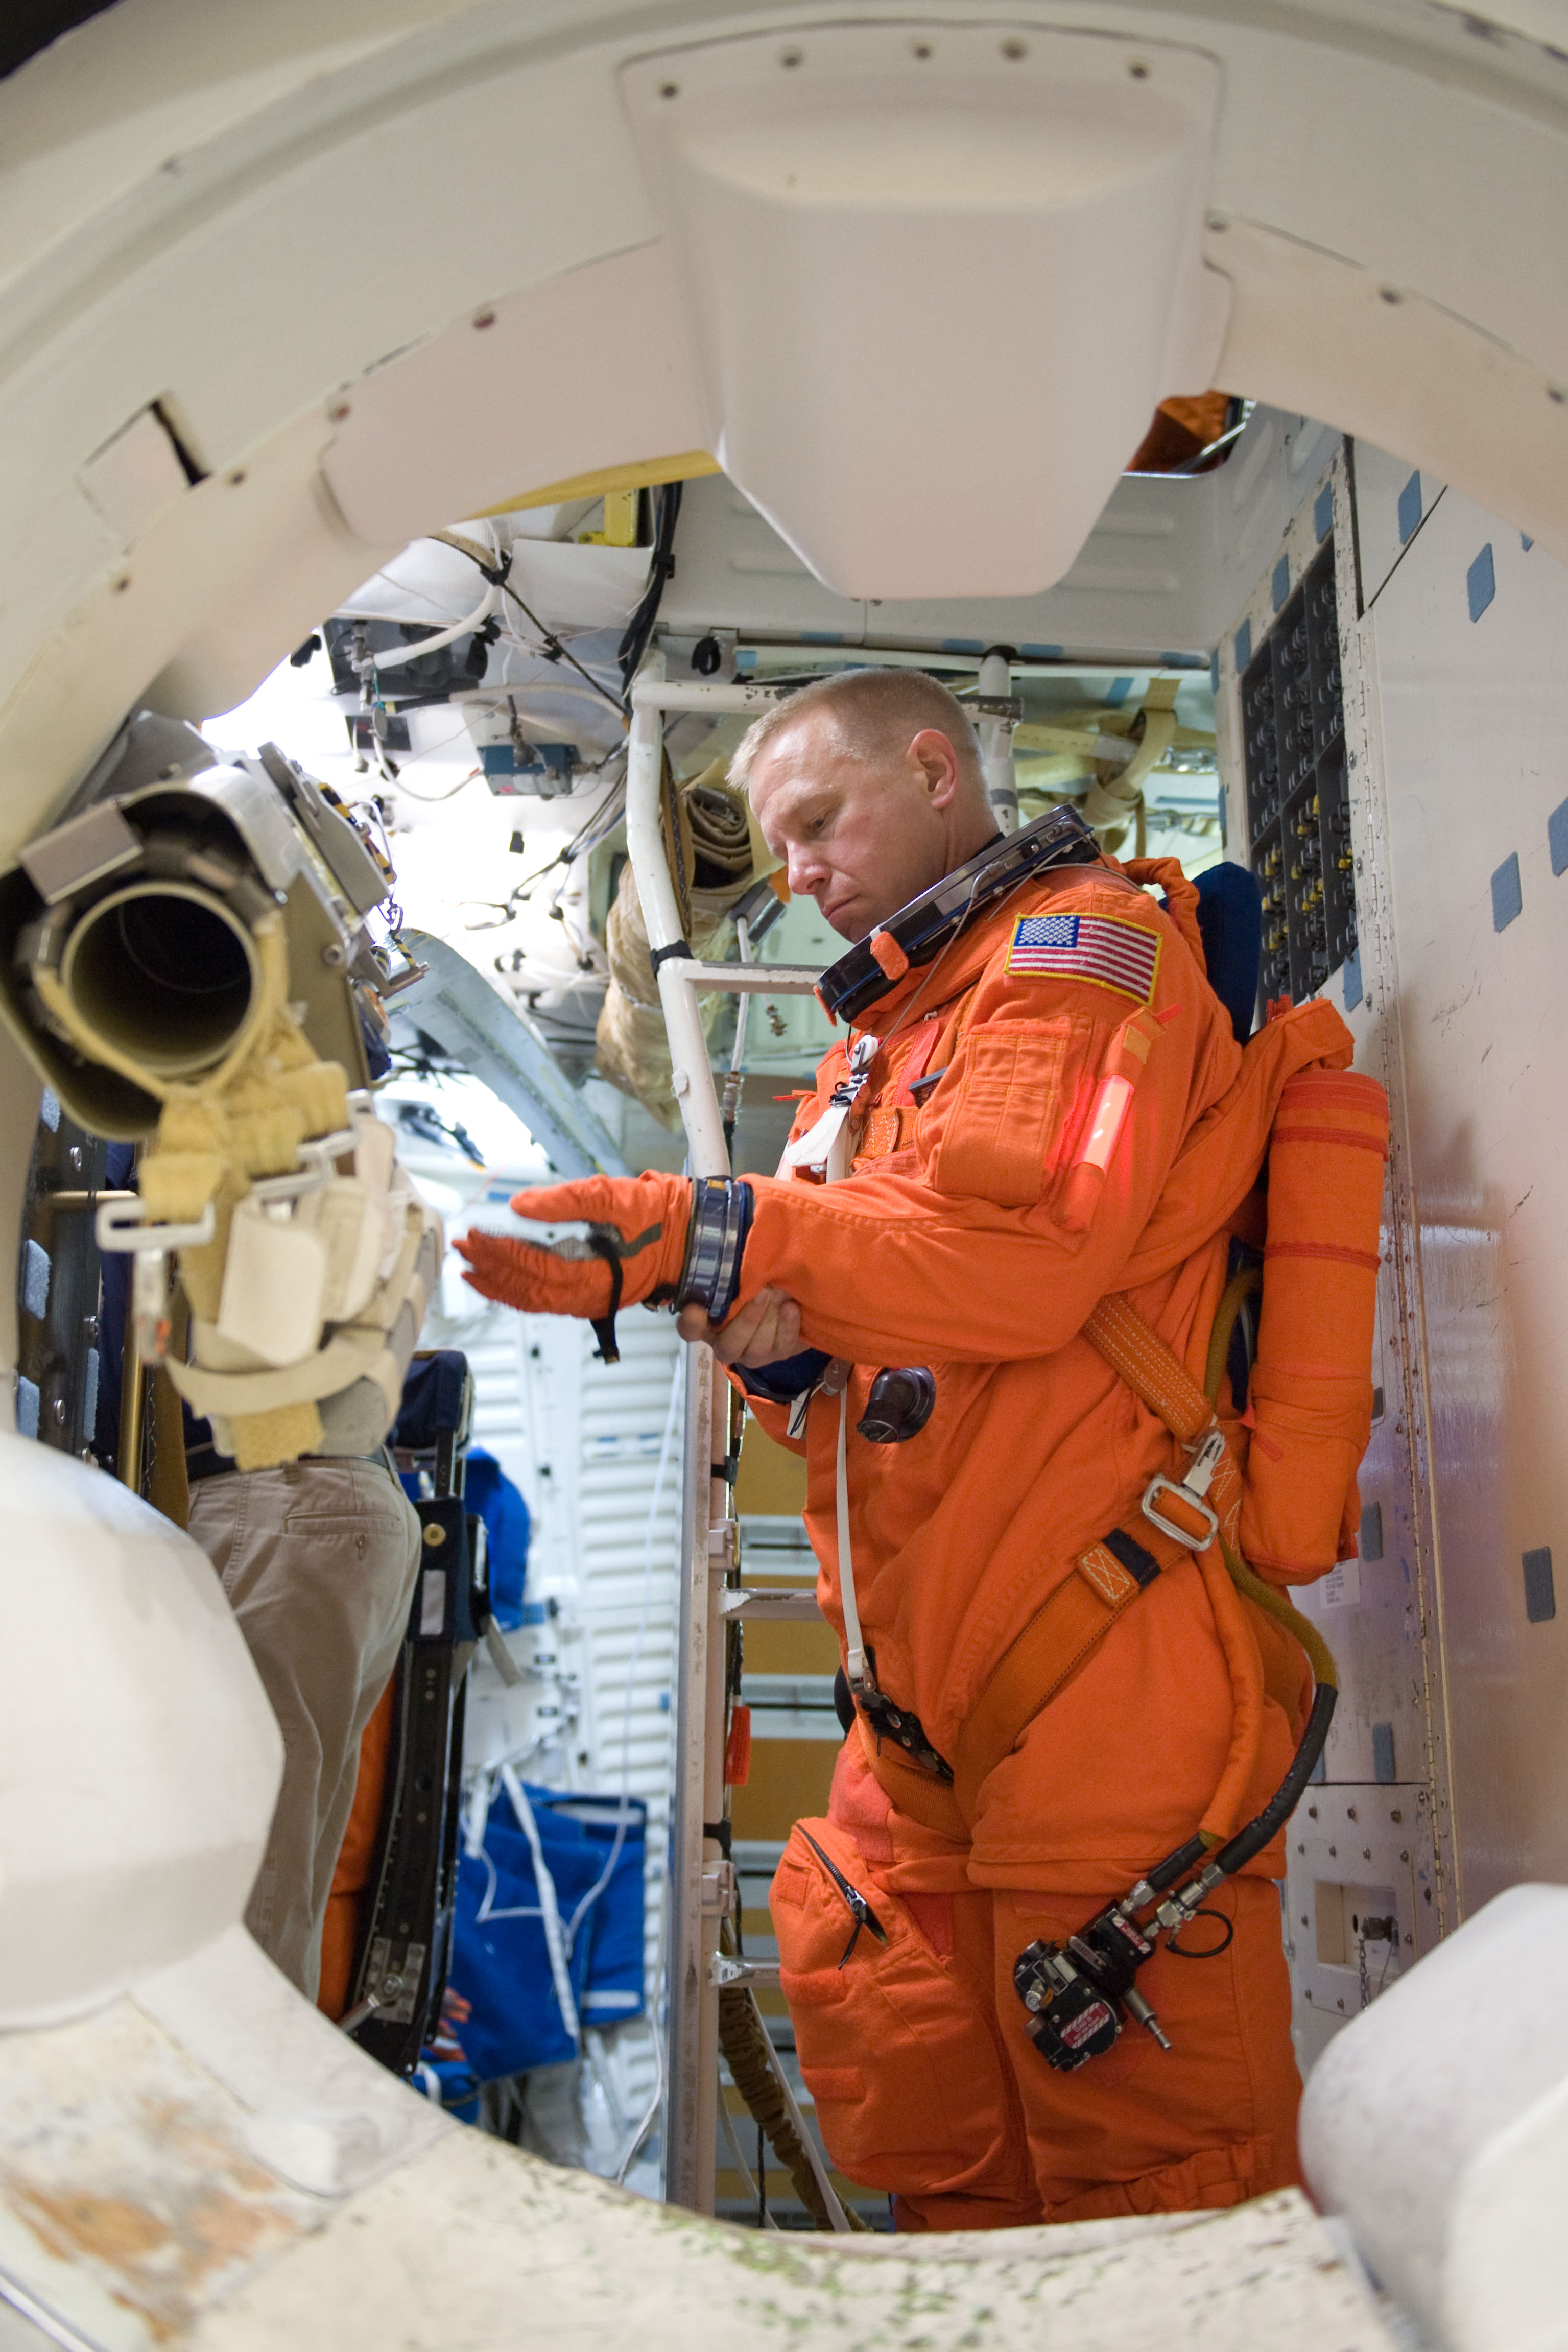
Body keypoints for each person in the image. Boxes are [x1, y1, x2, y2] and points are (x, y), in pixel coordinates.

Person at [455, 668, 1360, 2226]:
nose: (795, 870)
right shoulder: (879, 1048)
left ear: (937, 771)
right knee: (944, 2197)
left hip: (1103, 1675)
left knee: (1160, 2214)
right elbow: (866, 1336)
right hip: (920, 1731)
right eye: (780, 839)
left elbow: (1017, 1260)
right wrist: (781, 1341)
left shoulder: (1080, 960)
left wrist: (704, 1237)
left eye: (821, 820)